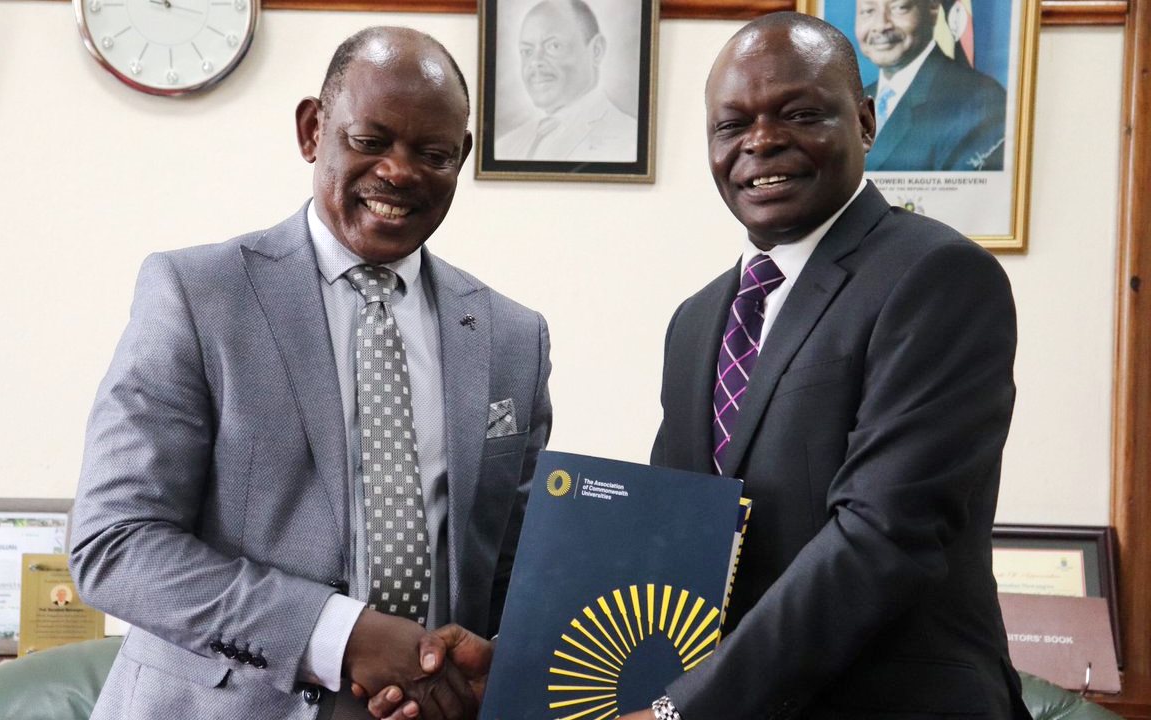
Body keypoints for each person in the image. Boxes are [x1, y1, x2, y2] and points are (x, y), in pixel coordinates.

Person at [68, 26, 552, 720]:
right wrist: (339, 633)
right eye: (370, 140)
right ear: (311, 130)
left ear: (463, 157)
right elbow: (114, 544)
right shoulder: (196, 295)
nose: (400, 171)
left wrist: (493, 662)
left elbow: (511, 565)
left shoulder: (513, 337)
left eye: (433, 153)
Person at [622, 12, 1029, 720]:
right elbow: (674, 537)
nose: (762, 141)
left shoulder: (937, 277)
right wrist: (522, 654)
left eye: (800, 112)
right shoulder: (696, 321)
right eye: (731, 125)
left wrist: (682, 710)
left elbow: (882, 535)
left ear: (866, 122)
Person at [856, 0, 1007, 171]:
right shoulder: (856, 101)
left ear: (933, 7)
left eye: (899, 8)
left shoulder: (980, 102)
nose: (881, 25)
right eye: (868, 11)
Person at [494, 0, 637, 162]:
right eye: (527, 51)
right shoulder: (504, 147)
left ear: (596, 51)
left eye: (553, 46)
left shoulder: (629, 140)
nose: (535, 62)